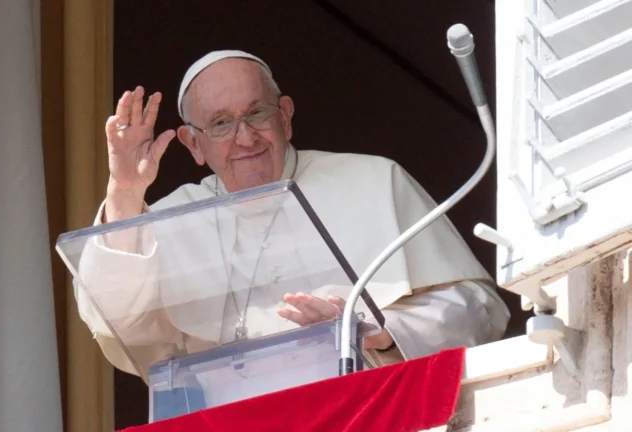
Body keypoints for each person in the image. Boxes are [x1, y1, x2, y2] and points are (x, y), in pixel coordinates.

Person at [72, 50, 511, 389]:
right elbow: (112, 321)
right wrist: (125, 193)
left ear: (285, 114)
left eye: (257, 113)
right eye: (221, 124)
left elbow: (481, 311)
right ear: (193, 144)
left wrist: (379, 334)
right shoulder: (169, 219)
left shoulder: (374, 180)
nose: (245, 138)